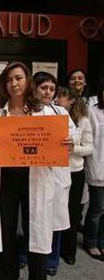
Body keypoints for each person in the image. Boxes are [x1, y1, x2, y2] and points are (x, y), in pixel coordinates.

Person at [0, 62, 73, 280]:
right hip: (7, 180)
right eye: (9, 79)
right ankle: (8, 277)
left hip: (36, 177)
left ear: (27, 81)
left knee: (37, 229)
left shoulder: (44, 111)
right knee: (6, 229)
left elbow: (63, 140)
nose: (14, 83)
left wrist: (67, 145)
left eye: (19, 78)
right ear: (4, 84)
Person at [18, 72, 76, 276]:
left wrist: (71, 142)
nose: (48, 92)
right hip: (32, 173)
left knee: (54, 220)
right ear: (34, 88)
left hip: (56, 175)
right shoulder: (26, 111)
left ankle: (52, 261)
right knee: (30, 219)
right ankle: (24, 256)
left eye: (52, 89)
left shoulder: (60, 111)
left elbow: (73, 136)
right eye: (44, 88)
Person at [55, 85, 94, 264]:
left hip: (74, 171)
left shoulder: (83, 120)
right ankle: (52, 251)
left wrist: (73, 148)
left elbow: (89, 147)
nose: (56, 100)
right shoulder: (51, 116)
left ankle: (69, 251)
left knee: (72, 212)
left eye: (61, 97)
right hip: (55, 171)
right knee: (55, 211)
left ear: (71, 100)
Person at [83, 82, 104, 261]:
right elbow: (89, 141)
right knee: (97, 208)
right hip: (98, 166)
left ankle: (102, 241)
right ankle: (91, 242)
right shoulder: (92, 111)